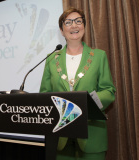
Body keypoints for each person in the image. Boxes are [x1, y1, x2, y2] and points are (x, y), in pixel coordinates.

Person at [39, 7, 116, 160]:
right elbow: (44, 94)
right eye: (68, 22)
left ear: (84, 26)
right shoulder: (51, 59)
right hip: (60, 136)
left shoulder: (99, 56)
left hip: (91, 132)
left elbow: (108, 91)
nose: (74, 26)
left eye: (78, 21)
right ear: (62, 30)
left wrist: (85, 105)